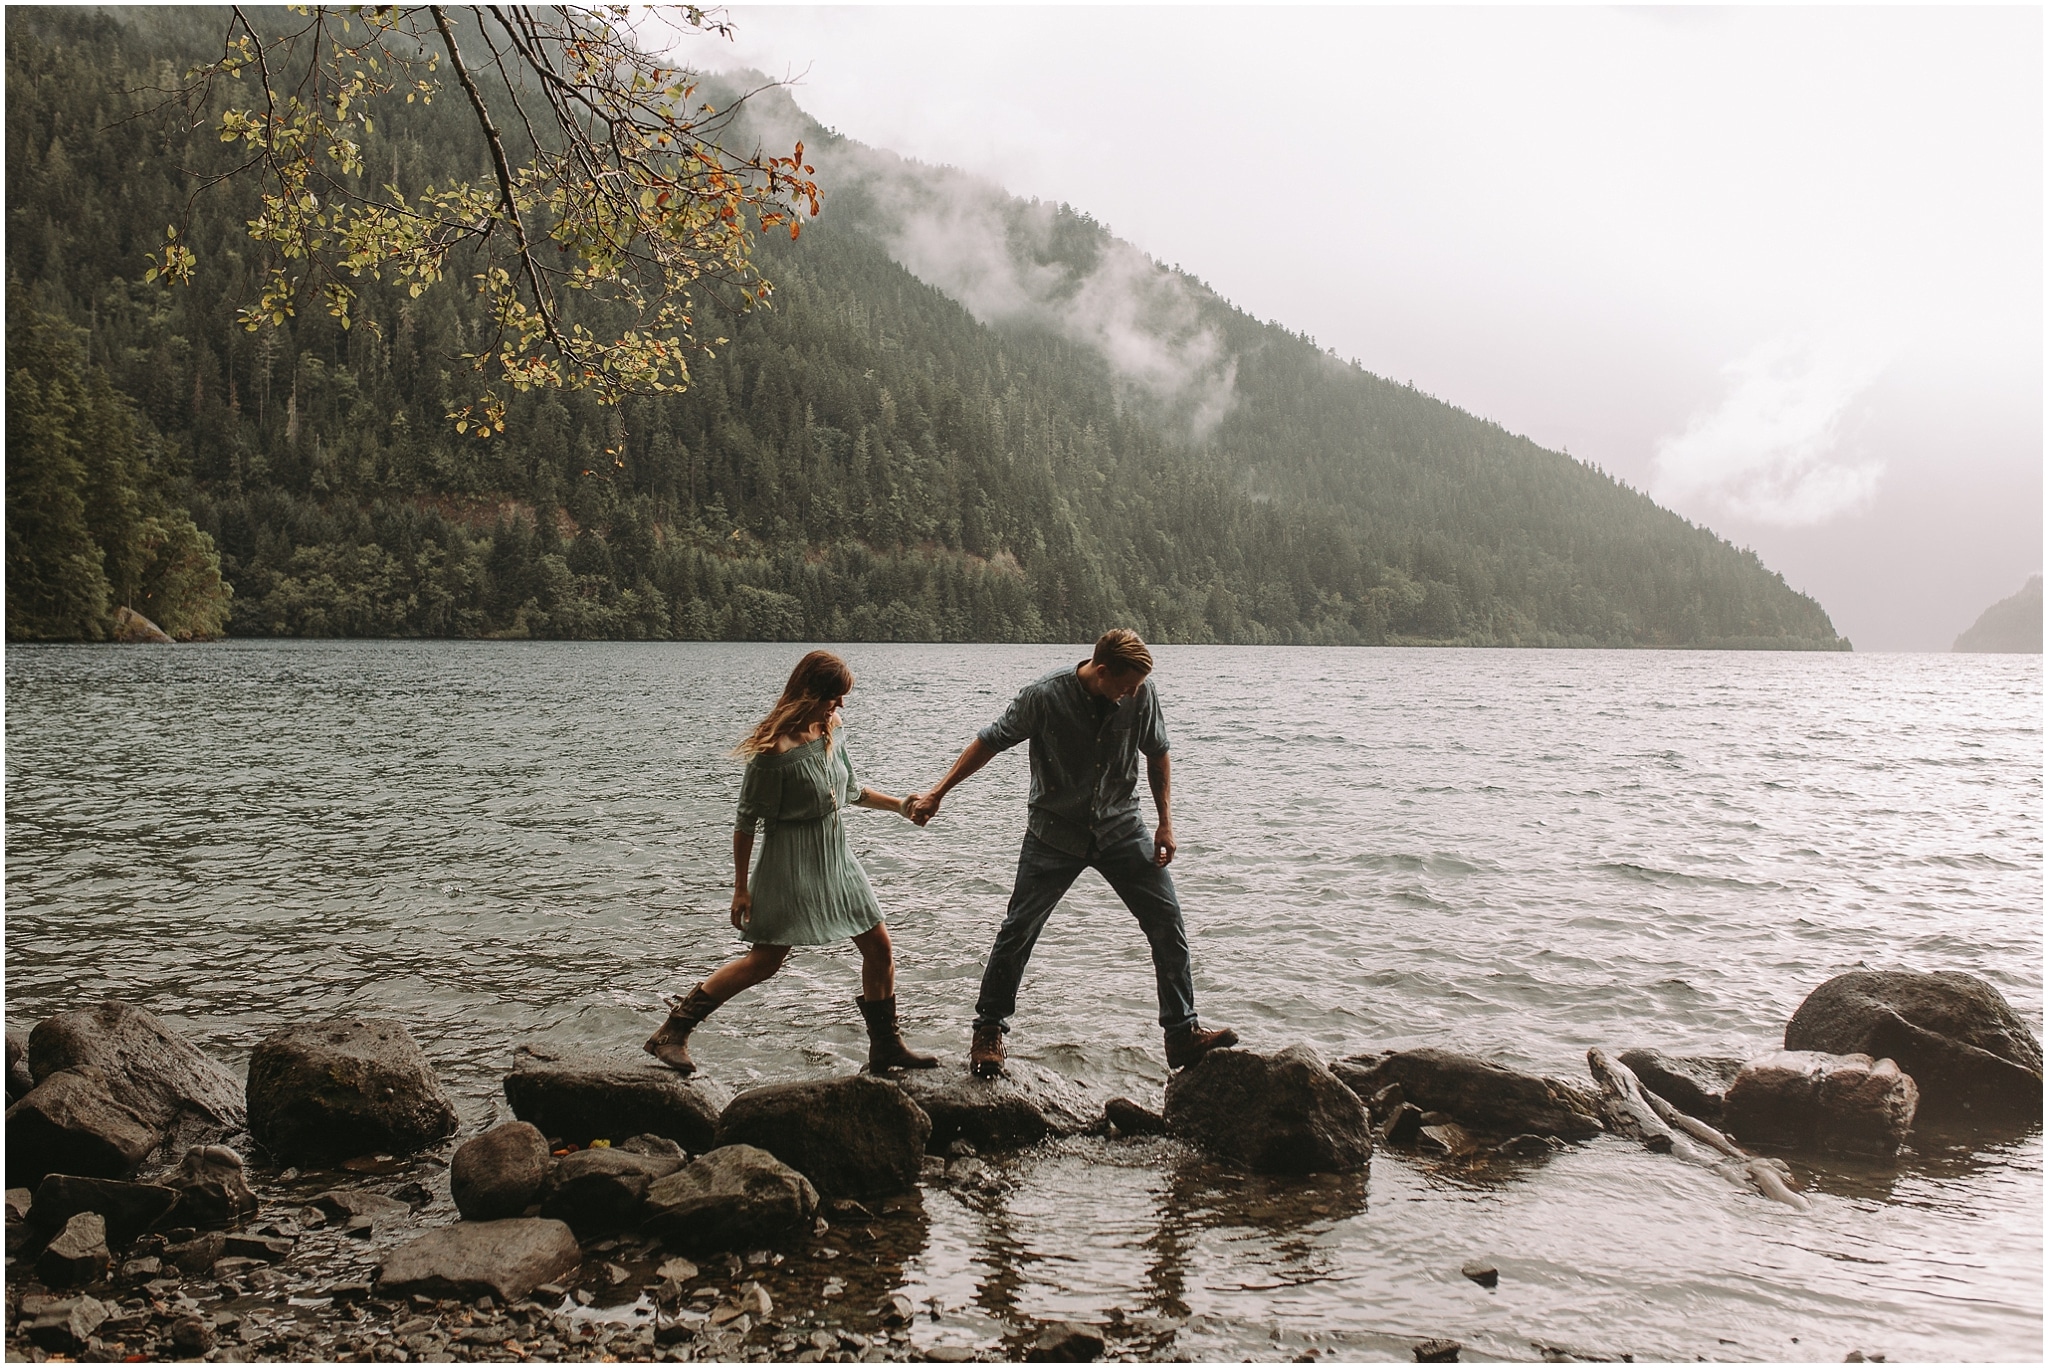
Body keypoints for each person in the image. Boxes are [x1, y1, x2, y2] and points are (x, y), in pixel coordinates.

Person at [906, 629, 1237, 1078]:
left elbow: (1158, 753)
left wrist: (1165, 823)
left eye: (1138, 685)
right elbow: (989, 741)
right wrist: (938, 793)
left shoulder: (1142, 694)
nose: (1134, 693)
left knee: (1166, 922)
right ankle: (988, 1031)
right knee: (1018, 929)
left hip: (1122, 827)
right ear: (1102, 672)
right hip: (1054, 832)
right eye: (1127, 685)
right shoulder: (1044, 696)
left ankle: (1182, 1033)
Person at [644, 650, 938, 1076]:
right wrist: (741, 888)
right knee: (765, 961)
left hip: (837, 859)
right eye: (834, 697)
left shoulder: (831, 729)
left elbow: (851, 791)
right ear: (809, 693)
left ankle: (886, 1048)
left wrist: (901, 806)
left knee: (879, 948)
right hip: (789, 864)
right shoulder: (773, 752)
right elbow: (745, 823)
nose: (840, 706)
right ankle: (671, 1033)